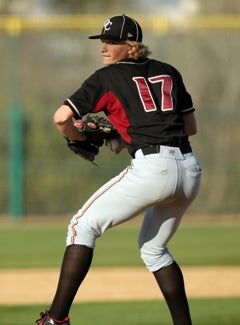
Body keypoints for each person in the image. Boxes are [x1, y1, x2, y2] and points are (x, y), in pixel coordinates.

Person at [36, 14, 201, 325]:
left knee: (81, 226)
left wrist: (82, 136)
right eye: (102, 41)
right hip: (190, 170)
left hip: (153, 169)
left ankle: (55, 320)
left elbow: (61, 118)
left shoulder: (106, 77)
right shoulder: (169, 71)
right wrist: (122, 135)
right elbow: (189, 127)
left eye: (111, 42)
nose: (104, 47)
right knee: (154, 249)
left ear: (131, 45)